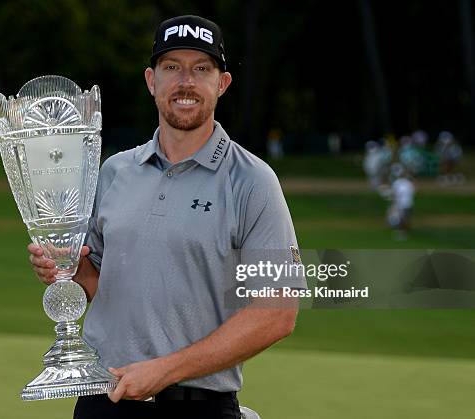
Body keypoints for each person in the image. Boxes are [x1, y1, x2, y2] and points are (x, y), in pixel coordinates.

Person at [28, 15, 305, 419]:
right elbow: (98, 286)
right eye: (172, 67)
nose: (185, 82)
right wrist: (68, 268)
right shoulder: (115, 171)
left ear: (221, 83)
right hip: (103, 401)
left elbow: (277, 313)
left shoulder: (252, 181)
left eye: (201, 69)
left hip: (197, 407)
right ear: (151, 80)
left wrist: (163, 371)